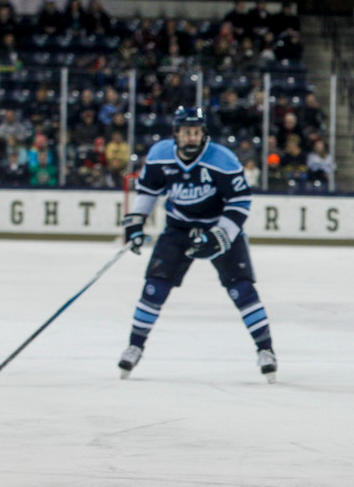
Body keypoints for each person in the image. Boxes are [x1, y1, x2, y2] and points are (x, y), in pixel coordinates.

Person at [117, 106, 277, 383]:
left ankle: (266, 351)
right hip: (178, 228)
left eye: (196, 132)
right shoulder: (159, 155)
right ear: (176, 133)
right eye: (186, 132)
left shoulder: (222, 159)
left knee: (242, 289)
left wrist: (221, 235)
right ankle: (134, 347)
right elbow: (149, 190)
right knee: (154, 288)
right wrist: (136, 221)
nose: (192, 137)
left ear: (203, 133)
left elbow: (240, 201)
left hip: (219, 226)